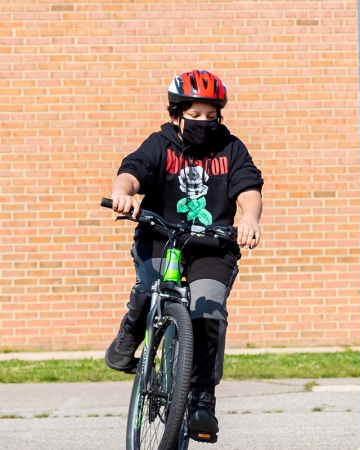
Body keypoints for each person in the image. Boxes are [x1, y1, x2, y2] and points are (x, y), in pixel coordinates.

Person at [105, 69, 263, 442]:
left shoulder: (231, 148)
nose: (203, 124)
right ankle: (131, 333)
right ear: (176, 115)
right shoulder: (160, 144)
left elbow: (248, 189)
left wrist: (249, 218)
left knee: (208, 311)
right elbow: (131, 173)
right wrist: (122, 194)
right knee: (152, 286)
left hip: (213, 244)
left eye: (211, 117)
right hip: (162, 236)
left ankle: (202, 400)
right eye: (194, 117)